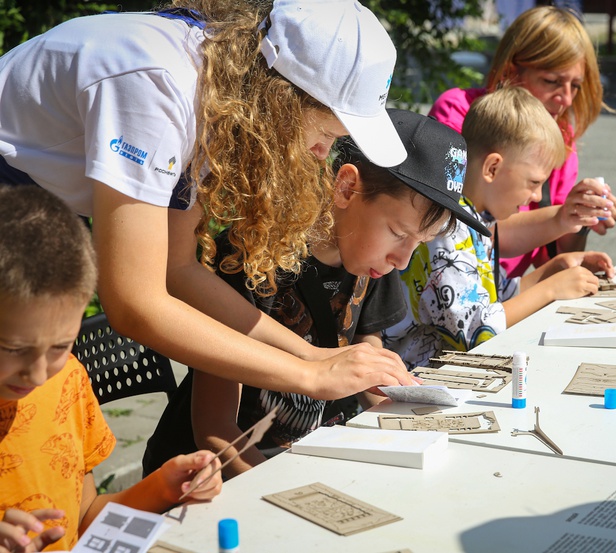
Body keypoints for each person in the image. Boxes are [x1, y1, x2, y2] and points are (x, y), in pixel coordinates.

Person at [0, 0, 415, 408]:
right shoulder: (158, 87)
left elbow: (177, 268)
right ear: (283, 99)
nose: (323, 155)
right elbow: (133, 303)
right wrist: (310, 377)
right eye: (326, 133)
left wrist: (313, 354)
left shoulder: (219, 89)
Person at [142, 109, 492, 478]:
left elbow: (368, 366)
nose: (402, 260)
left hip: (305, 459)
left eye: (419, 243)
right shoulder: (251, 256)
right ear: (347, 188)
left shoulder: (371, 260)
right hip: (208, 479)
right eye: (398, 233)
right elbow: (215, 430)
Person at [0, 186, 223, 553]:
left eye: (59, 346)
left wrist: (163, 487)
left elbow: (86, 516)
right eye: (13, 349)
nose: (38, 375)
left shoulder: (67, 380)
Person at [384, 87, 615, 369]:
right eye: (533, 182)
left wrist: (554, 269)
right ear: (492, 168)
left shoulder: (476, 219)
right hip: (420, 380)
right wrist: (550, 290)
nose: (536, 196)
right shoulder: (446, 228)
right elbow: (474, 331)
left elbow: (498, 296)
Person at [428, 5, 616, 279]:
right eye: (552, 81)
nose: (567, 99)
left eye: (576, 85)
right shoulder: (459, 111)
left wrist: (583, 216)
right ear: (510, 72)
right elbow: (458, 226)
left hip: (503, 289)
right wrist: (560, 217)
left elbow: (548, 256)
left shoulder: (560, 134)